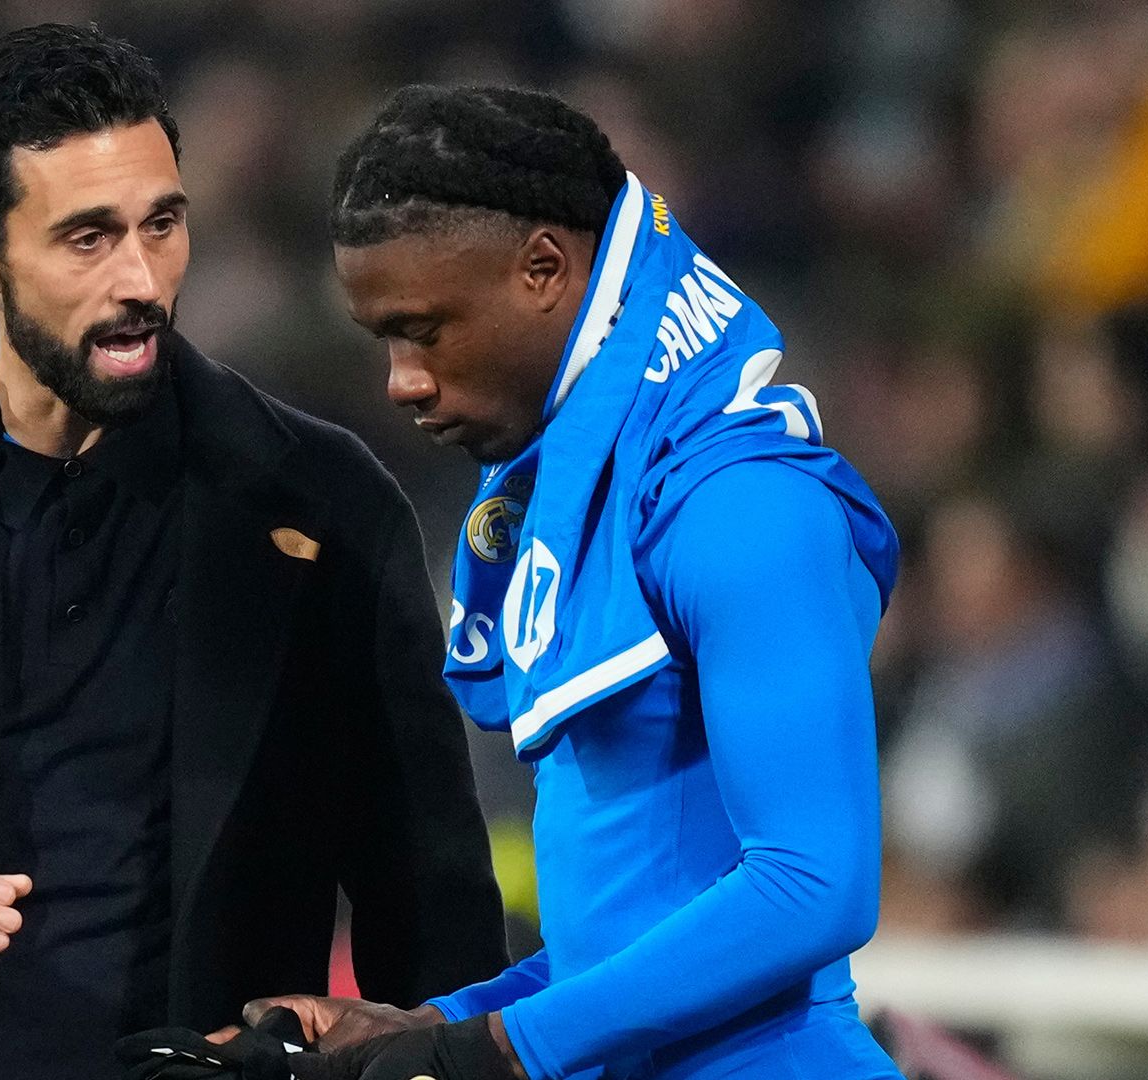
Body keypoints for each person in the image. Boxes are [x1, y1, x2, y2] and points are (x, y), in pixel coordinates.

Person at [0, 27, 508, 1080]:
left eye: (163, 224)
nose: (142, 279)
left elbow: (425, 884)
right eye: (87, 239)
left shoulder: (322, 503)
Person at [123, 86, 904, 1080]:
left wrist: (491, 1050)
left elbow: (812, 887)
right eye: (384, 340)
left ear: (544, 268)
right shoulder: (593, 498)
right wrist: (428, 1026)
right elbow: (629, 937)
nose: (402, 380)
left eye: (425, 329)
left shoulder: (742, 505)